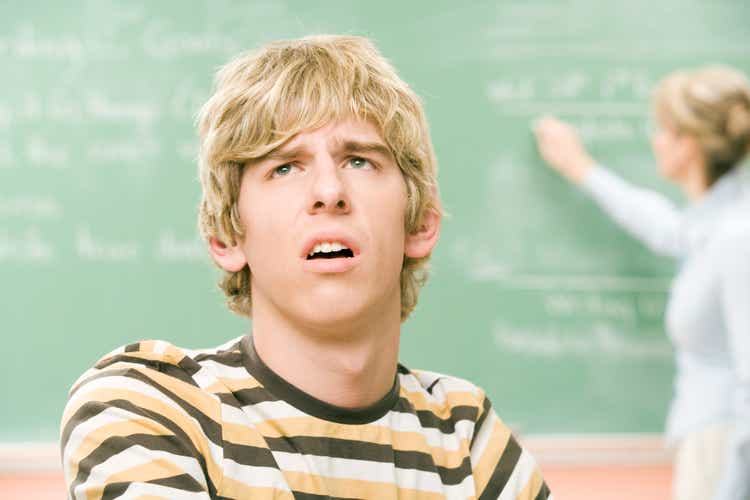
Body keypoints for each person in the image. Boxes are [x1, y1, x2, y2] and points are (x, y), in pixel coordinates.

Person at [60, 35, 552, 499]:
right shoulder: (149, 407)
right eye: (284, 167)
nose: (328, 192)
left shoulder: (466, 439)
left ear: (420, 224)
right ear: (228, 237)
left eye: (359, 160)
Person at [534, 65, 750, 500]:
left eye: (662, 130)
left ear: (689, 144)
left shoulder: (734, 237)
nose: (655, 140)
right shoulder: (711, 224)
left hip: (725, 451)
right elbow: (662, 226)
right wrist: (581, 168)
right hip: (711, 444)